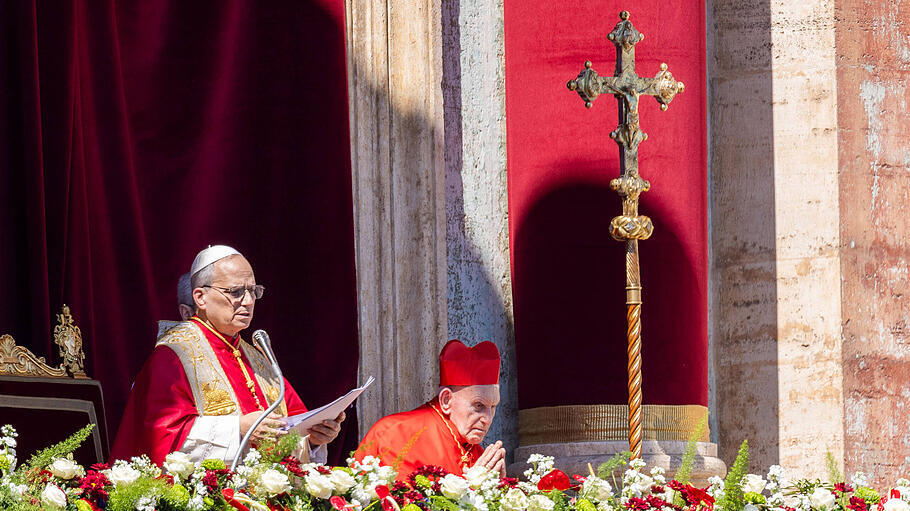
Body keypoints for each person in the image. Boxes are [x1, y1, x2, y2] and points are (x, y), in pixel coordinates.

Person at [111, 245, 345, 465]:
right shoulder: (173, 355)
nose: (248, 301)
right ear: (200, 297)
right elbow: (163, 440)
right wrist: (239, 428)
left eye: (253, 291)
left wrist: (314, 438)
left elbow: (293, 423)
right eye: (235, 291)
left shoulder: (256, 358)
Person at [356, 339, 507, 480]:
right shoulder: (395, 433)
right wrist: (473, 487)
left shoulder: (479, 455)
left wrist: (497, 490)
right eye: (478, 406)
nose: (487, 419)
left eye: (493, 407)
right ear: (446, 400)